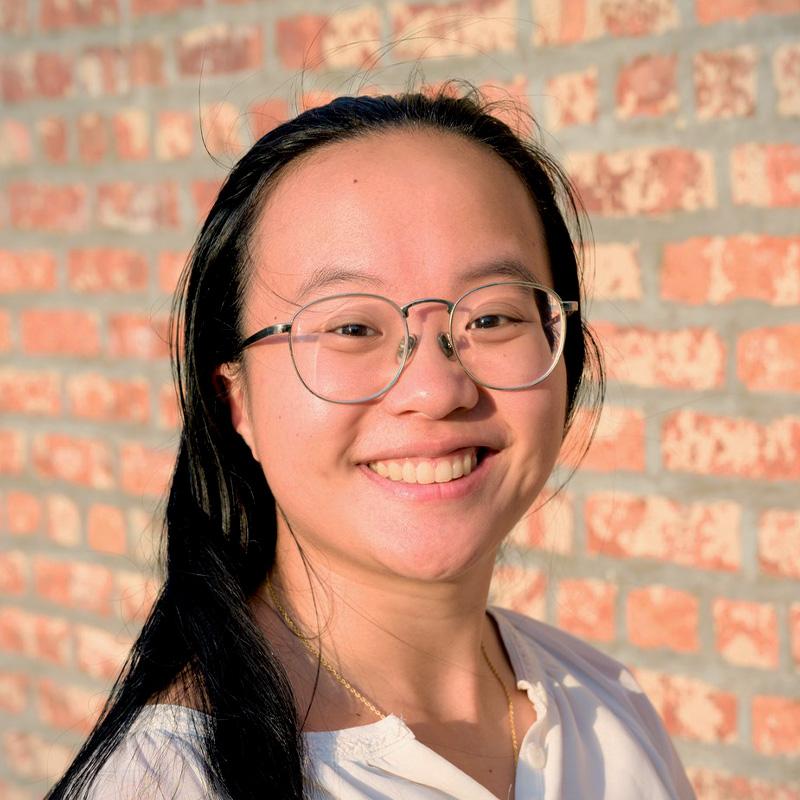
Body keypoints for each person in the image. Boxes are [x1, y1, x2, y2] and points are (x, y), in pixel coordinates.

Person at [46, 85, 695, 800]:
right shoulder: (172, 784)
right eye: (352, 328)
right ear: (236, 398)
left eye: (494, 318)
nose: (437, 389)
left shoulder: (608, 708)